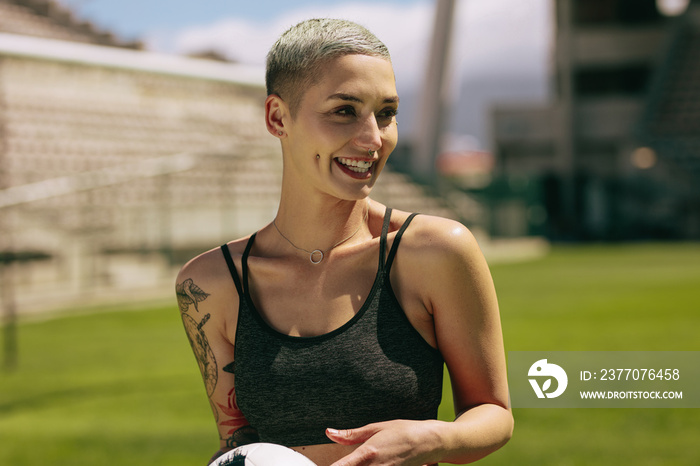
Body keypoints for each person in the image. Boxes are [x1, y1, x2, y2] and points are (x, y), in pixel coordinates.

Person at [176, 18, 513, 466]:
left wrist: (432, 438)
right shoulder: (210, 284)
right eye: (344, 110)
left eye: (387, 112)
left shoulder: (436, 251)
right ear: (278, 117)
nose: (374, 138)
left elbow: (493, 414)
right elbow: (239, 441)